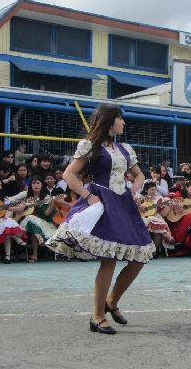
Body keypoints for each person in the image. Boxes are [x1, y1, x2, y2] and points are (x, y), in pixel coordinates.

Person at [44, 104, 155, 335]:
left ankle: (112, 301)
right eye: (120, 118)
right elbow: (69, 174)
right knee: (110, 259)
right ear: (109, 121)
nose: (123, 122)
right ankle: (97, 316)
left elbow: (140, 175)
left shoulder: (125, 149)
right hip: (103, 203)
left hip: (123, 204)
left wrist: (134, 187)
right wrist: (89, 196)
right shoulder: (90, 146)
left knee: (140, 256)